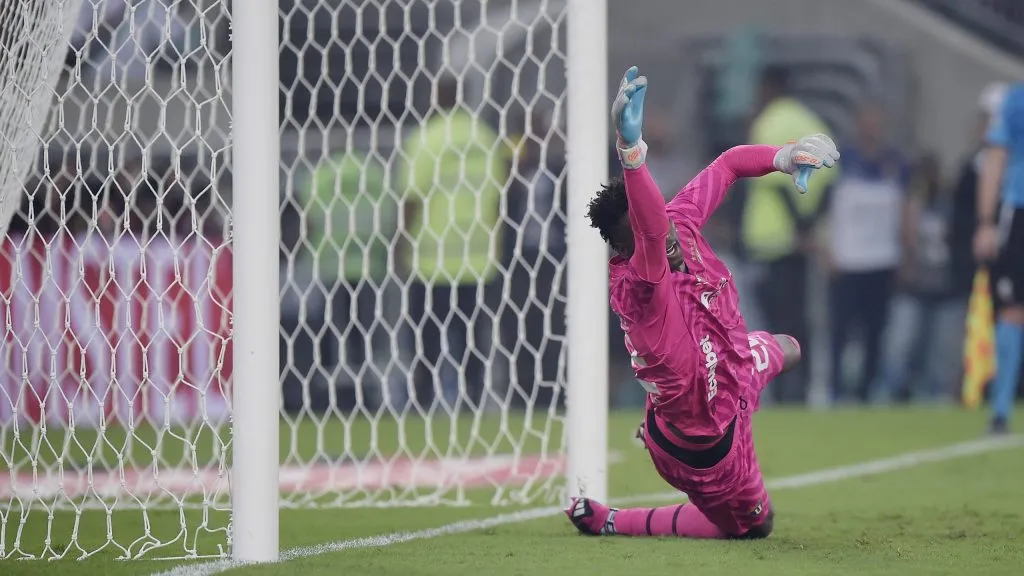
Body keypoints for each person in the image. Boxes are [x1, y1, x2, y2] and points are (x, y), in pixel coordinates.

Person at [565, 67, 838, 539]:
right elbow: (651, 230)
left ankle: (674, 413)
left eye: (662, 218)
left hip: (734, 372)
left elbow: (728, 165)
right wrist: (631, 153)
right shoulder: (638, 286)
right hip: (702, 445)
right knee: (754, 527)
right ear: (626, 249)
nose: (666, 233)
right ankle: (612, 520)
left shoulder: (680, 220)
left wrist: (783, 156)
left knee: (788, 346)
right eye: (649, 232)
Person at [398, 74, 507, 410]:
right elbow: (500, 195)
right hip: (478, 257)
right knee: (472, 341)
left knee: (425, 343)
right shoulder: (484, 138)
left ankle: (422, 403)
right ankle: (473, 401)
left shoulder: (426, 138)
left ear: (434, 97)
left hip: (432, 259)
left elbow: (411, 198)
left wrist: (401, 244)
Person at [740, 66, 837, 404]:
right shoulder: (813, 123)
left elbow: (772, 180)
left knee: (774, 322)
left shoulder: (769, 123)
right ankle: (802, 387)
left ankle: (783, 392)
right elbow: (830, 177)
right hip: (802, 243)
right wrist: (809, 226)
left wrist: (796, 226)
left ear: (770, 88)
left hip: (772, 240)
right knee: (799, 318)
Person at [826, 102, 912, 404]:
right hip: (847, 259)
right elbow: (828, 209)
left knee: (875, 331)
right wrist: (828, 250)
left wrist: (906, 252)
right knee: (840, 330)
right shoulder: (841, 162)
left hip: (882, 259)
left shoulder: (896, 165)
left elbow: (906, 210)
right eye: (867, 122)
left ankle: (867, 392)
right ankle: (835, 392)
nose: (872, 129)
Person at [975, 82, 1024, 434]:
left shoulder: (1015, 100)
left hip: (1017, 212)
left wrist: (986, 222)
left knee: (1012, 310)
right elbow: (996, 158)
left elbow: (995, 158)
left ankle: (1001, 411)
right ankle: (1001, 408)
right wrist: (987, 221)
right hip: (1018, 210)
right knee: (1013, 309)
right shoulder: (1015, 102)